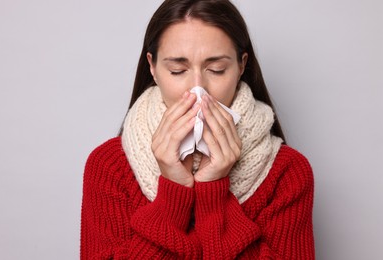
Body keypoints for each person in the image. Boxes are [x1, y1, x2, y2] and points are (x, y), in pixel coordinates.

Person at [80, 0, 315, 259]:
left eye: (217, 69)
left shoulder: (288, 173)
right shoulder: (109, 167)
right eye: (177, 70)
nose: (197, 90)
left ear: (241, 66)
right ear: (153, 68)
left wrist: (213, 193)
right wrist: (172, 194)